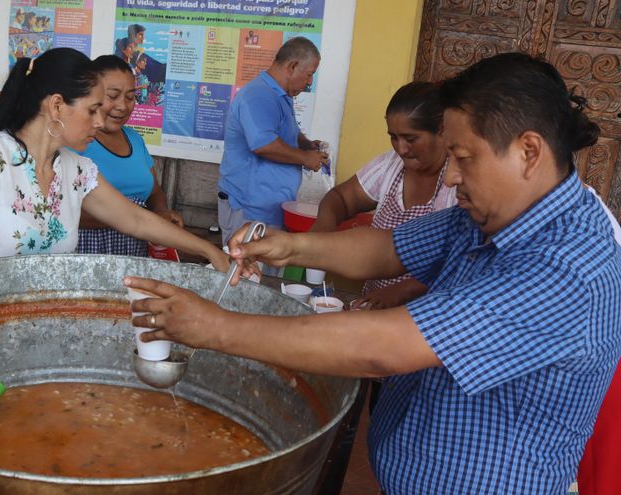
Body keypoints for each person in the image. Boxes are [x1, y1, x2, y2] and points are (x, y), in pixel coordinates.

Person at [125, 52, 621, 494]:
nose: (450, 176)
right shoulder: (490, 216)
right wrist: (292, 243)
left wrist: (215, 328)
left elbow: (383, 348)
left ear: (529, 152)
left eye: (464, 159)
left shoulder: (569, 267)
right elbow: (388, 248)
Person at [0, 48, 228, 306]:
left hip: (45, 319)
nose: (99, 121)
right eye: (92, 110)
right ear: (56, 106)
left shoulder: (75, 170)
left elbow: (136, 219)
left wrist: (207, 251)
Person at [311, 81, 455, 310]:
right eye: (393, 137)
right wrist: (323, 227)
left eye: (410, 138)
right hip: (374, 302)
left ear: (441, 130)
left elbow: (461, 259)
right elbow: (341, 198)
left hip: (425, 314)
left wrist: (403, 289)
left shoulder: (456, 181)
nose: (400, 148)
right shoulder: (390, 165)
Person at [217, 37, 328, 249]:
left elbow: (290, 133)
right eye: (310, 74)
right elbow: (263, 145)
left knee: (265, 278)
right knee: (247, 276)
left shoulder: (281, 96)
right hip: (249, 211)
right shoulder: (258, 95)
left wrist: (306, 144)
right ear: (292, 66)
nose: (310, 82)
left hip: (270, 210)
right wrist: (305, 158)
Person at [77, 55, 181, 257]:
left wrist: (160, 213)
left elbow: (154, 192)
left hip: (134, 253)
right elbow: (60, 209)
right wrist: (132, 216)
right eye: (112, 96)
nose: (122, 106)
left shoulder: (134, 139)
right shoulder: (76, 140)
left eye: (130, 97)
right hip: (87, 254)